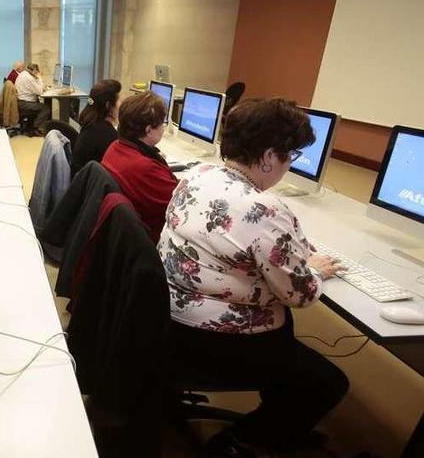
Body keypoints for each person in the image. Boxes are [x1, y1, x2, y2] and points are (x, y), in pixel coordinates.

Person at [158, 98, 349, 457]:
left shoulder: (199, 174)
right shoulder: (264, 209)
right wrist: (318, 271)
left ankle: (276, 412)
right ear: (267, 157)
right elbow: (301, 295)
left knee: (294, 358)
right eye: (289, 155)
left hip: (170, 315)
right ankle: (247, 439)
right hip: (214, 341)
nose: (289, 165)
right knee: (327, 382)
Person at [101, 91, 178, 243]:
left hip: (125, 235)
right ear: (148, 130)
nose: (163, 128)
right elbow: (181, 205)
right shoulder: (145, 168)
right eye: (162, 123)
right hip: (152, 240)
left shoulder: (115, 146)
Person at [70, 79, 122, 176]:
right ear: (108, 105)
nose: (121, 104)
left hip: (82, 181)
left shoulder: (90, 122)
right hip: (91, 187)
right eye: (119, 100)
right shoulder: (108, 135)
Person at [14, 63, 50, 133]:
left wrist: (36, 79)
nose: (37, 73)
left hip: (20, 102)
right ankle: (36, 128)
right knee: (46, 108)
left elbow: (36, 88)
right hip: (23, 104)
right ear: (33, 71)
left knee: (38, 103)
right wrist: (39, 77)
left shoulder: (23, 74)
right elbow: (39, 91)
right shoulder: (29, 78)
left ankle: (30, 126)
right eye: (36, 71)